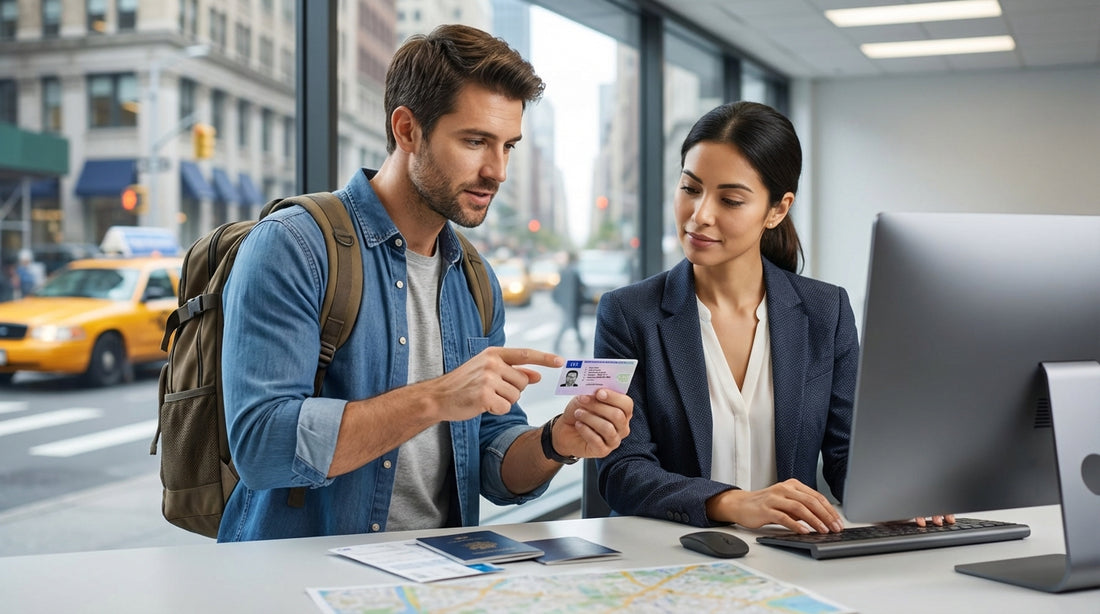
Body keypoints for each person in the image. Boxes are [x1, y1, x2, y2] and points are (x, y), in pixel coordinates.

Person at [218, 24, 632, 542]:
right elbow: (261, 447)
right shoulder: (294, 246)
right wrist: (435, 398)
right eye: (476, 141)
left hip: (440, 577)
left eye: (508, 146)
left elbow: (491, 459)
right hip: (306, 583)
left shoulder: (475, 279)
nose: (497, 170)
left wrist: (555, 441)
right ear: (407, 130)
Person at [593, 101, 950, 535]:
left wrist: (899, 493)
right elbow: (622, 470)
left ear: (777, 209)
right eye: (690, 189)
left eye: (730, 199)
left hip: (789, 556)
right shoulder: (629, 314)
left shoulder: (826, 312)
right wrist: (733, 503)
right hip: (672, 554)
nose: (701, 215)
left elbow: (845, 455)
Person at [552, 251, 585, 354]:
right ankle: (580, 343)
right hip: (572, 305)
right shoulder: (573, 272)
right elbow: (578, 289)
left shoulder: (564, 270)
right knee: (569, 324)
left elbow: (559, 288)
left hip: (566, 304)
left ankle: (581, 343)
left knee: (571, 325)